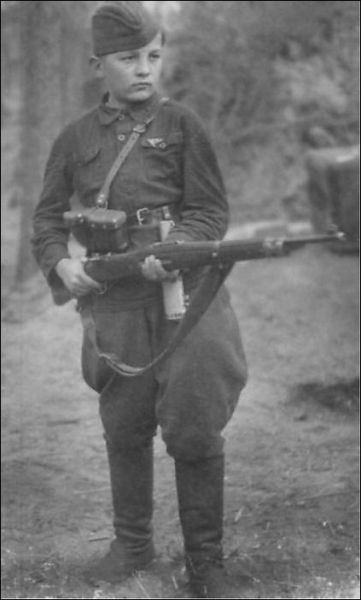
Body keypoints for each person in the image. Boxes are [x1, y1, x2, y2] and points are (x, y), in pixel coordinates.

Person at [32, 2, 248, 597]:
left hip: (187, 296)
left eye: (154, 57)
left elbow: (210, 211)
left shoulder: (183, 125)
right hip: (117, 302)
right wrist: (62, 263)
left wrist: (176, 247)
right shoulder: (74, 139)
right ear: (98, 63)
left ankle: (206, 563)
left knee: (196, 424)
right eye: (129, 60)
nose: (145, 70)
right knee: (124, 422)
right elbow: (47, 222)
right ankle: (132, 544)